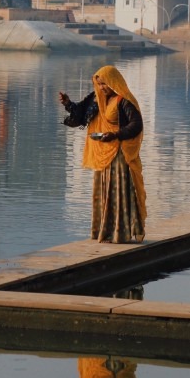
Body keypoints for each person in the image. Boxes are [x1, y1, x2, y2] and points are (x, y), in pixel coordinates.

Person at [59, 64, 146, 244]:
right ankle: (104, 231)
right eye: (99, 84)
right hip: (102, 153)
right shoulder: (96, 99)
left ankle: (120, 233)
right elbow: (81, 114)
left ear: (114, 82)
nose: (102, 88)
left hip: (119, 154)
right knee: (103, 193)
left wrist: (115, 134)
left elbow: (136, 125)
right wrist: (68, 104)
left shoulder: (124, 101)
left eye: (105, 84)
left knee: (118, 192)